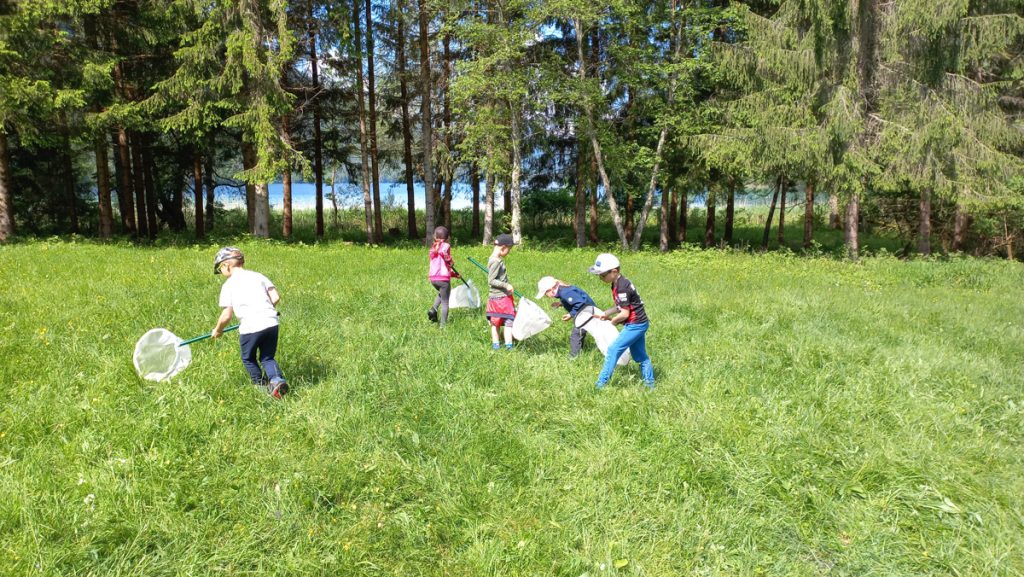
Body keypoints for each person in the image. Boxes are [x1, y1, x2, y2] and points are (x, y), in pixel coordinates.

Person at [211, 247, 288, 398]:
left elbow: (226, 315)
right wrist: (266, 310)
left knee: (248, 358)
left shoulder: (228, 285)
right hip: (271, 323)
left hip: (250, 327)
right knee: (267, 357)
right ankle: (276, 380)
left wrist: (218, 330)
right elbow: (276, 296)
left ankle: (261, 386)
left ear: (226, 265)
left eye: (220, 268)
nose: (221, 273)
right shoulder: (258, 276)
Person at [589, 253, 654, 389]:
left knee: (613, 350)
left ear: (614, 271)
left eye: (602, 275)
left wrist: (611, 323)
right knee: (640, 355)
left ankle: (600, 385)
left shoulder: (622, 287)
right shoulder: (616, 283)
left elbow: (624, 314)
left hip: (636, 325)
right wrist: (606, 313)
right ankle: (650, 385)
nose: (600, 278)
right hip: (639, 323)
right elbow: (621, 306)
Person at [536, 275, 596, 358]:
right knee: (581, 333)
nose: (546, 296)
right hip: (586, 312)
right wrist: (560, 303)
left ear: (551, 290)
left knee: (576, 335)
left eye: (546, 293)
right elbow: (573, 299)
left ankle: (574, 356)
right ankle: (579, 352)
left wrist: (570, 314)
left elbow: (580, 303)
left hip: (587, 313)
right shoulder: (563, 291)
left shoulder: (565, 292)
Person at [486, 234, 516, 350]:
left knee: (496, 322)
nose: (508, 252)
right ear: (503, 248)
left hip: (498, 298)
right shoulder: (496, 262)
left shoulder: (494, 259)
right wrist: (506, 285)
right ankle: (508, 346)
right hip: (500, 298)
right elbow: (491, 280)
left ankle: (497, 346)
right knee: (507, 321)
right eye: (509, 249)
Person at [427, 226, 460, 327]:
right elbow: (447, 261)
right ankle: (443, 326)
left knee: (442, 293)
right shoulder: (446, 246)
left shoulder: (433, 247)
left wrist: (454, 275)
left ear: (435, 237)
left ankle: (434, 309)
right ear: (447, 237)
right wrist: (451, 262)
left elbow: (440, 266)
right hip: (443, 279)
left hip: (433, 279)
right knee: (445, 302)